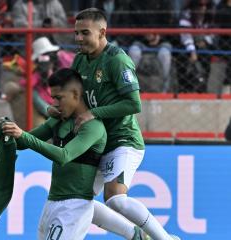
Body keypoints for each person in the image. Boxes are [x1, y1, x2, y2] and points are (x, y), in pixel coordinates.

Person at [66, 8, 179, 240]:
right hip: (97, 142)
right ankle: (135, 235)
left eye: (84, 33)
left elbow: (133, 104)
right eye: (76, 33)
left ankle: (165, 239)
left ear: (102, 32)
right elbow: (73, 96)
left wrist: (93, 113)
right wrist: (59, 109)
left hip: (122, 140)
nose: (78, 38)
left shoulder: (117, 60)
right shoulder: (79, 60)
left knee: (116, 199)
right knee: (75, 201)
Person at [2, 68, 107, 240]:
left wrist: (22, 135)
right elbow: (22, 144)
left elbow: (63, 156)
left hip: (75, 205)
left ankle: (134, 233)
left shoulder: (93, 126)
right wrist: (7, 133)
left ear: (75, 94)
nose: (54, 104)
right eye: (53, 98)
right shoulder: (58, 120)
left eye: (59, 98)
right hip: (51, 203)